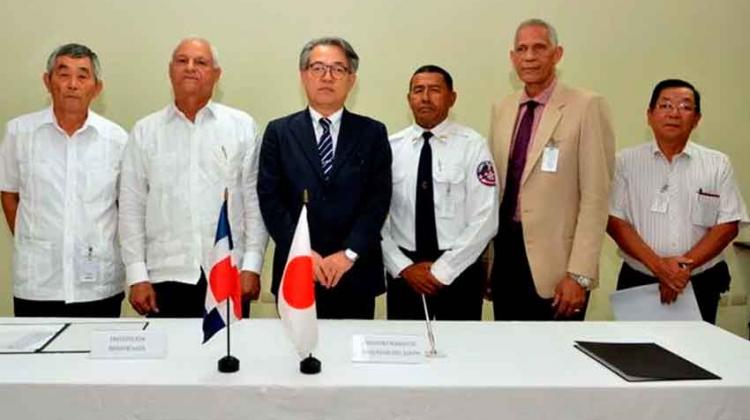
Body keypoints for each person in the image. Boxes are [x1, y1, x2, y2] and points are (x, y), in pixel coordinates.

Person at [119, 38, 267, 318]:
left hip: (227, 273)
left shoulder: (242, 127)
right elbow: (131, 207)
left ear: (216, 74)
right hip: (164, 275)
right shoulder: (145, 132)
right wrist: (136, 275)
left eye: (201, 62)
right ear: (170, 70)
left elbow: (253, 202)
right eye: (182, 61)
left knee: (227, 360)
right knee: (169, 361)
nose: (190, 68)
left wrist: (252, 265)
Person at [489, 19, 615, 320]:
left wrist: (580, 274)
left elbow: (596, 198)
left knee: (556, 362)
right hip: (507, 256)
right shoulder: (502, 108)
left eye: (538, 48)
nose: (529, 56)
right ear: (512, 58)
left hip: (559, 270)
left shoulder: (586, 106)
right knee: (507, 357)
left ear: (557, 54)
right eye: (522, 49)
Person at [257, 36, 391, 319]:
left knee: (352, 359)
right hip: (297, 270)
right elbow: (271, 200)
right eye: (318, 68)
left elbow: (378, 201)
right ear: (303, 76)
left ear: (352, 79)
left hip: (354, 272)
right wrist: (303, 253)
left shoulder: (373, 133)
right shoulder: (279, 133)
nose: (327, 77)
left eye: (338, 69)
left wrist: (349, 254)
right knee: (294, 359)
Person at [0, 43, 127, 317]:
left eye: (83, 76)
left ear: (97, 87)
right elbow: (9, 195)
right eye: (63, 74)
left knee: (98, 360)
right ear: (48, 81)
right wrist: (34, 240)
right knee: (35, 359)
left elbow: (125, 205)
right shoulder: (19, 133)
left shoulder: (117, 140)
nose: (72, 84)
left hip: (99, 286)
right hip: (37, 284)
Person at [607, 79, 748, 324]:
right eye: (665, 105)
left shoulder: (717, 164)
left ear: (697, 119)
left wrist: (681, 270)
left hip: (700, 282)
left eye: (685, 106)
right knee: (636, 357)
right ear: (649, 115)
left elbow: (728, 225)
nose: (674, 113)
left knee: (695, 356)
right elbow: (615, 221)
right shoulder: (624, 163)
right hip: (639, 280)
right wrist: (661, 269)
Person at [382, 65, 498, 320]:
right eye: (418, 90)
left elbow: (486, 217)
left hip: (460, 270)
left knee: (461, 354)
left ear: (452, 98)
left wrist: (444, 269)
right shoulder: (390, 147)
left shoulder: (472, 146)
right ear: (409, 98)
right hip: (406, 274)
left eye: (434, 90)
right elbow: (376, 217)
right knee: (405, 354)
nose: (425, 97)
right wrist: (401, 266)